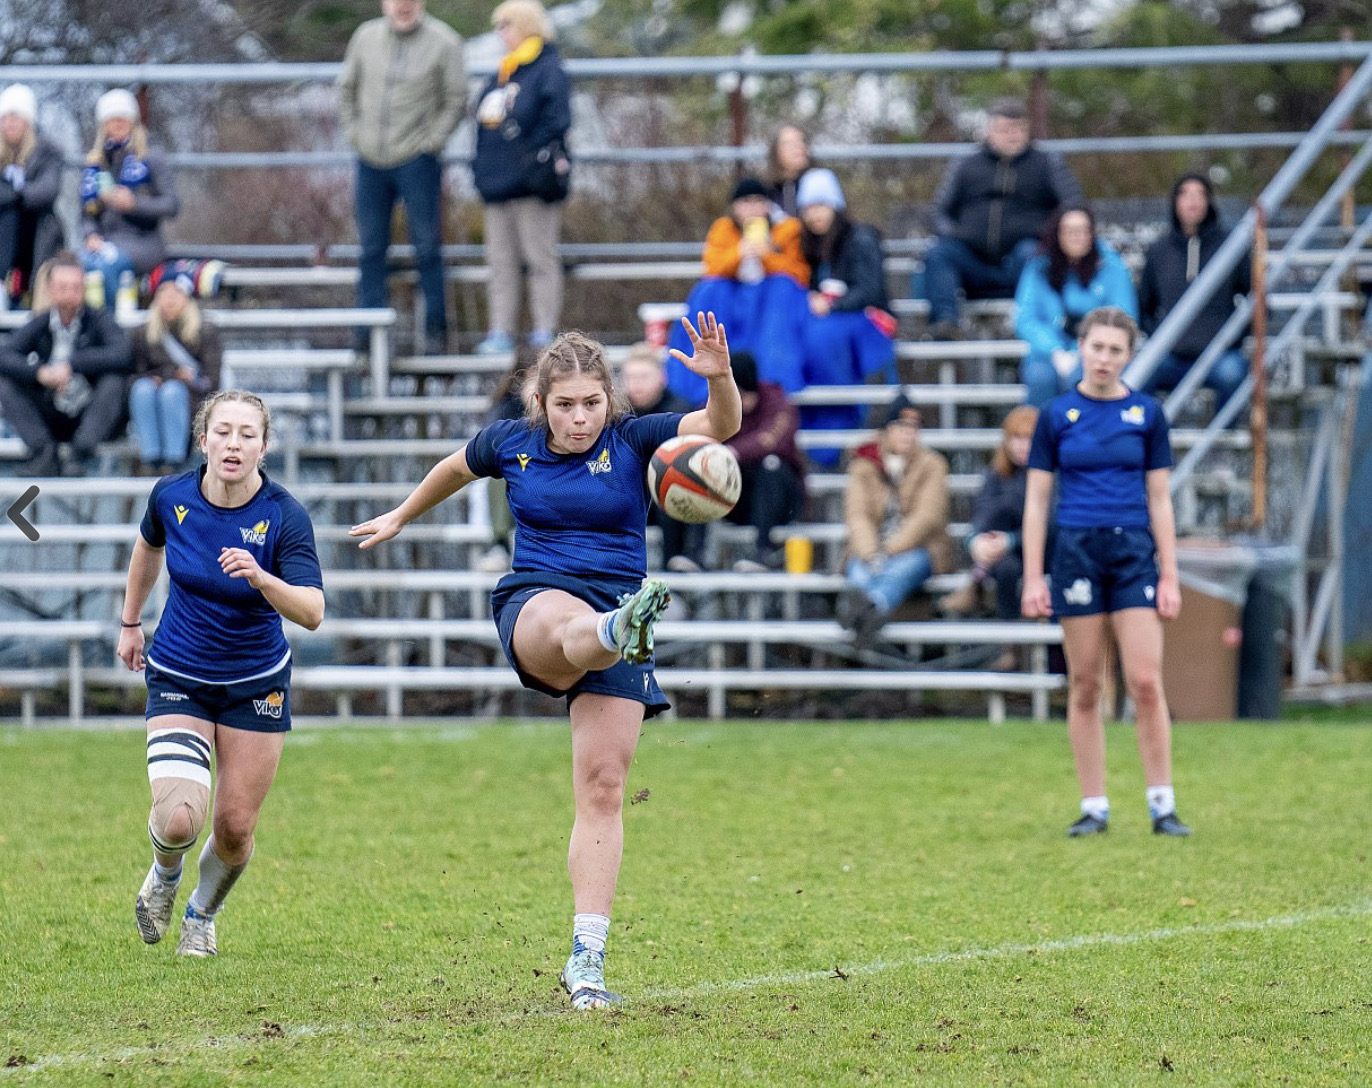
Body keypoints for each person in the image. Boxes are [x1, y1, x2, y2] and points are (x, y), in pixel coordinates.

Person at [350, 312, 740, 1010]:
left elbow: (720, 429)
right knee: (566, 634)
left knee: (602, 789)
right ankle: (619, 628)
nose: (580, 417)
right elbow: (451, 468)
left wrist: (722, 381)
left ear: (610, 401)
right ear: (541, 403)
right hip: (537, 597)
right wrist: (401, 514)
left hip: (618, 597)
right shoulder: (513, 443)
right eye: (565, 405)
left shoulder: (632, 437)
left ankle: (585, 961)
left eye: (592, 403)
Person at [116, 390, 325, 957]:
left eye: (247, 434)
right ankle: (163, 875)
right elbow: (146, 548)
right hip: (180, 671)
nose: (234, 443)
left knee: (234, 829)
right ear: (202, 439)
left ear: (264, 445)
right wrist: (130, 622)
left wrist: (263, 578)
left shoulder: (284, 515)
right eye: (223, 431)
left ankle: (202, 914)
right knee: (181, 819)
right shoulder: (172, 496)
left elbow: (311, 611)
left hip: (256, 682)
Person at [1020, 306, 1191, 838]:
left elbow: (1160, 498)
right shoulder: (1055, 415)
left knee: (1144, 680)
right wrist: (1033, 575)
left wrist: (1169, 574)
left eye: (1116, 350)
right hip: (1075, 551)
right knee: (1087, 683)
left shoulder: (1147, 414)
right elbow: (1036, 500)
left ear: (1128, 356)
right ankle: (1094, 805)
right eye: (1097, 347)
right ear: (1081, 348)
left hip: (1133, 551)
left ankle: (1162, 803)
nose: (1104, 358)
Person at [338, 0, 466, 356]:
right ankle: (367, 333)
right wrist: (356, 135)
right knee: (371, 249)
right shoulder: (365, 37)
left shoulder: (445, 42)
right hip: (369, 160)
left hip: (417, 160)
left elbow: (456, 99)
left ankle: (436, 332)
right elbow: (346, 89)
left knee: (427, 247)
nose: (403, 6)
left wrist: (431, 143)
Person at [921, 98, 1083, 339]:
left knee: (1033, 254)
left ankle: (1036, 325)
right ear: (989, 131)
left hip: (1021, 261)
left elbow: (1073, 206)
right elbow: (938, 212)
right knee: (939, 253)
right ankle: (946, 322)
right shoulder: (966, 165)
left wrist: (1048, 235)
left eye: (1018, 129)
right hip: (972, 261)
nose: (1012, 135)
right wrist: (956, 235)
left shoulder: (1046, 164)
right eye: (1005, 129)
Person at [472, 0, 571, 355]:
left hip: (533, 185)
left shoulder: (547, 68)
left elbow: (556, 121)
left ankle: (545, 330)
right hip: (496, 185)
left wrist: (529, 157)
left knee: (539, 257)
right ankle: (501, 330)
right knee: (500, 261)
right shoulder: (503, 71)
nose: (501, 33)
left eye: (506, 25)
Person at [666, 177, 810, 404]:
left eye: (758, 201)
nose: (752, 208)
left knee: (783, 288)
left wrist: (767, 255)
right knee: (710, 290)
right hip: (732, 296)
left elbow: (798, 273)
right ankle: (699, 378)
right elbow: (712, 267)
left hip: (768, 299)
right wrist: (739, 253)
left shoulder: (787, 229)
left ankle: (774, 375)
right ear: (735, 207)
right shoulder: (723, 229)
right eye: (746, 202)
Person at [795, 167, 897, 464]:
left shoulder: (861, 239)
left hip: (869, 321)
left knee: (823, 335)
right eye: (808, 208)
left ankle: (841, 406)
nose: (814, 214)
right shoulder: (812, 246)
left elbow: (870, 290)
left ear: (835, 205)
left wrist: (832, 305)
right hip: (836, 321)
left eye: (820, 205)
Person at [0, 251, 133, 476]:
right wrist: (40, 373)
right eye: (63, 287)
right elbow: (5, 355)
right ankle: (43, 455)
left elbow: (123, 353)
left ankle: (78, 456)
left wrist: (72, 365)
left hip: (90, 417)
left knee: (114, 381)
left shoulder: (99, 319)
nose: (69, 293)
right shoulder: (40, 323)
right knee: (5, 383)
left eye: (75, 287)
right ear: (50, 289)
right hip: (51, 413)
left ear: (84, 288)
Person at [838, 394, 952, 642]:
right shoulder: (863, 464)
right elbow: (858, 516)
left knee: (900, 571)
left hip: (920, 548)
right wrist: (872, 553)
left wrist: (888, 551)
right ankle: (870, 611)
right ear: (887, 430)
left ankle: (868, 610)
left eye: (914, 427)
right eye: (901, 426)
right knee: (858, 570)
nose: (907, 433)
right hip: (871, 546)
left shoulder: (932, 464)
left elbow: (927, 517)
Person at [1137, 172, 1251, 416]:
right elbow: (1143, 306)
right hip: (1170, 356)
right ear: (1175, 202)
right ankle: (1157, 439)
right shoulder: (1159, 250)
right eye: (1186, 194)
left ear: (1209, 202)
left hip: (1220, 356)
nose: (1193, 201)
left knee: (1233, 375)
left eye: (1200, 194)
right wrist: (1159, 338)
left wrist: (1234, 338)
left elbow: (1257, 301)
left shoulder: (1231, 246)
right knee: (1138, 374)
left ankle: (1222, 444)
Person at [940, 406, 1038, 667]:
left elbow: (1049, 525)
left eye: (1029, 438)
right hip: (1004, 554)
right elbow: (981, 515)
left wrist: (1010, 540)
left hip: (1041, 550)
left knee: (1011, 505)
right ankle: (1008, 647)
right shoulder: (996, 475)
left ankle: (977, 584)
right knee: (1005, 564)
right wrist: (976, 541)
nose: (1022, 446)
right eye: (1016, 438)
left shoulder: (1047, 476)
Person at [1014, 205, 1138, 407]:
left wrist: (1083, 350)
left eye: (1082, 230)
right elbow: (1025, 318)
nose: (1076, 237)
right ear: (1058, 233)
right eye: (1069, 231)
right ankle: (1041, 436)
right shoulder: (1038, 267)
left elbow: (1123, 315)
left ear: (1091, 233)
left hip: (1097, 351)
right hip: (1046, 353)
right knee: (1040, 379)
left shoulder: (1111, 266)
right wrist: (1054, 350)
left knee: (1082, 378)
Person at [79, 89, 180, 309]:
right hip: (104, 242)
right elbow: (86, 214)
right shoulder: (96, 162)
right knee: (77, 266)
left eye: (122, 118)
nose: (117, 124)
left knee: (107, 267)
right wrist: (91, 234)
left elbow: (172, 205)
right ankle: (90, 331)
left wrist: (135, 204)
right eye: (111, 119)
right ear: (103, 124)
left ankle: (116, 329)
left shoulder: (151, 155)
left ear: (132, 121)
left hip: (143, 242)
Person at [621, 341, 704, 571]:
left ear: (661, 377)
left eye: (643, 377)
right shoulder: (616, 414)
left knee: (674, 481)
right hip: (628, 495)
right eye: (630, 377)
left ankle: (682, 560)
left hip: (666, 499)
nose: (635, 384)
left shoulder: (680, 411)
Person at [129, 271, 223, 475]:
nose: (170, 298)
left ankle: (174, 460)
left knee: (172, 392)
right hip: (154, 395)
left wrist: (182, 379)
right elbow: (134, 372)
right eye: (164, 292)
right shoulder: (142, 333)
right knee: (142, 390)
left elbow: (212, 380)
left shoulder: (205, 332)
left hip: (191, 400)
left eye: (176, 292)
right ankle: (150, 457)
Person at [724, 351, 807, 572]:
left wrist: (731, 452)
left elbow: (772, 440)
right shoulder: (717, 403)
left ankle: (763, 551)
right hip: (736, 499)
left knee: (770, 465)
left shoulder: (778, 401)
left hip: (781, 500)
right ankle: (689, 553)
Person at [0, 83, 63, 307]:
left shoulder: (48, 151)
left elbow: (48, 189)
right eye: (5, 118)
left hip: (38, 229)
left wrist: (14, 195)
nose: (9, 123)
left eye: (15, 117)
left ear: (28, 121)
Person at [765, 124, 813, 217]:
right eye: (790, 143)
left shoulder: (819, 186)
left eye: (802, 141)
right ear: (776, 151)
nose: (800, 147)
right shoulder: (766, 192)